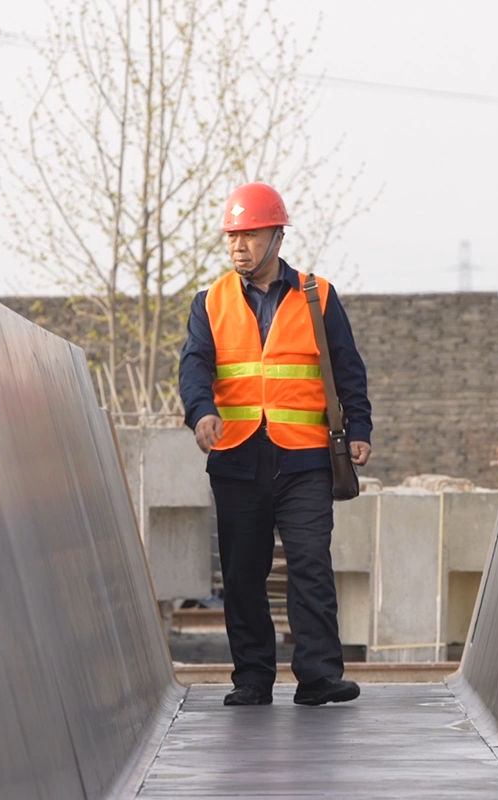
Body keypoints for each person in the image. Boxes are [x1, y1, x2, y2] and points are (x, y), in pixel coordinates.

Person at [178, 182, 373, 707]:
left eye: (250, 234)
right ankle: (253, 678)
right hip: (238, 457)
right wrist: (201, 412)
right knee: (244, 572)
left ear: (277, 236)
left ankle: (318, 677)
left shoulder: (318, 296)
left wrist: (360, 430)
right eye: (232, 236)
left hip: (305, 458)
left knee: (310, 562)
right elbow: (194, 366)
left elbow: (347, 368)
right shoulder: (210, 302)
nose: (239, 245)